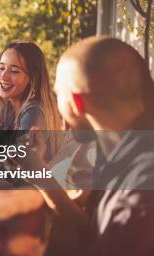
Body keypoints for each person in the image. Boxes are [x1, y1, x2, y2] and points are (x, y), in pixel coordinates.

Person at [17, 36, 154, 255]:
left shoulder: (138, 196)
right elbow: (90, 229)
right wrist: (39, 174)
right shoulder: (122, 152)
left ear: (76, 102)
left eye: (58, 94)